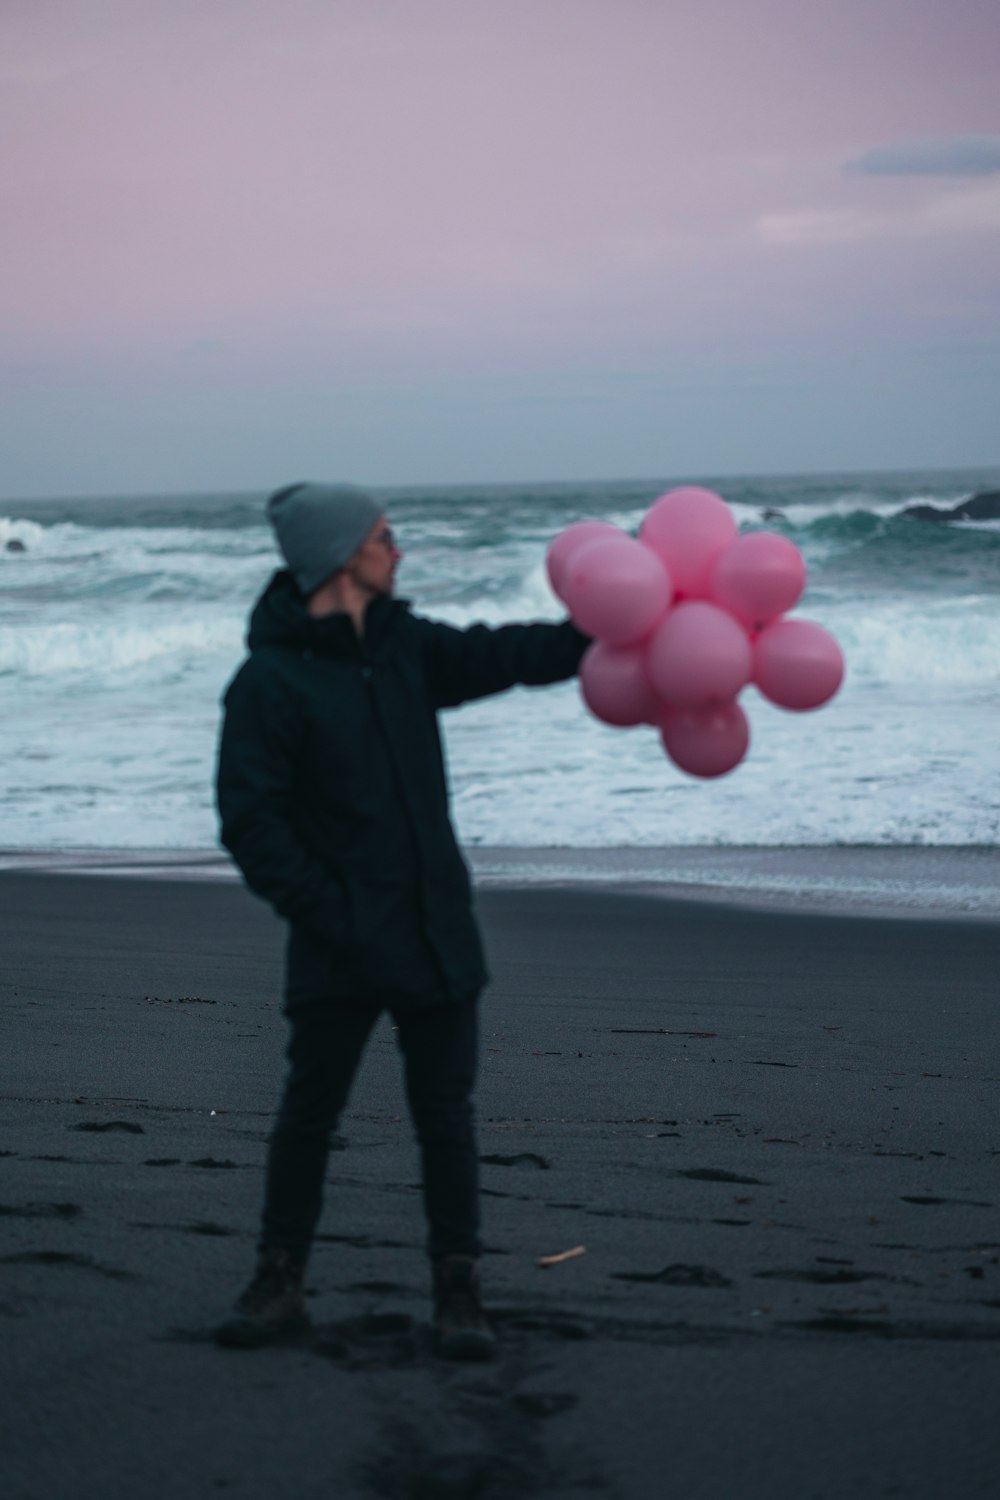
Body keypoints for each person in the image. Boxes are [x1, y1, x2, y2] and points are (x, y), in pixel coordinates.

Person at [214, 481, 588, 1358]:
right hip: (341, 944)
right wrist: (333, 914)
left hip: (433, 934)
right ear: (345, 554)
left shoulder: (406, 650)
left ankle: (458, 1292)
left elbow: (506, 654)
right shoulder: (268, 682)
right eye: (386, 536)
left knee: (446, 1121)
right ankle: (278, 1282)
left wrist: (605, 635)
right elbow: (250, 822)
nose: (398, 548)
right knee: (309, 1115)